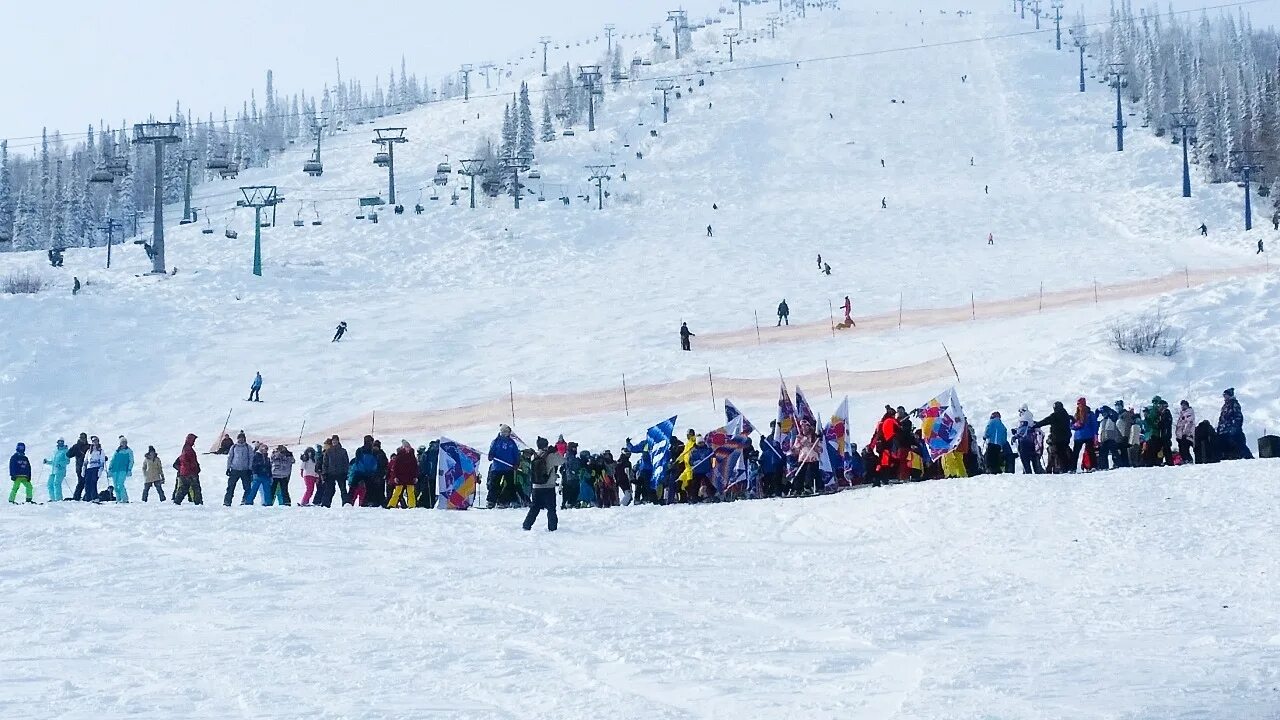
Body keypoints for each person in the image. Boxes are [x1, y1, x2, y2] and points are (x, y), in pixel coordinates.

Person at [523, 437, 561, 531]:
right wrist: (555, 452)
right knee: (551, 508)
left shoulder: (534, 456)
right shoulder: (550, 456)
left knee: (535, 507)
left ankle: (526, 525)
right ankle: (552, 528)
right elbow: (562, 460)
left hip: (536, 486)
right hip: (549, 486)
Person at [485, 425, 520, 508]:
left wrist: (516, 463)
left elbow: (516, 454)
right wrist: (490, 456)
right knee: (494, 484)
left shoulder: (511, 443)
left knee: (510, 485)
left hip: (508, 467)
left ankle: (507, 500)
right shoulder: (496, 442)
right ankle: (491, 501)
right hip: (497, 467)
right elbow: (491, 452)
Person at [1034, 402, 1072, 473]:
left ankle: (1061, 469)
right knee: (1064, 453)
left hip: (1057, 438)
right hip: (1066, 437)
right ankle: (1067, 468)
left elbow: (1045, 421)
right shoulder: (1066, 415)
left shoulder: (1054, 416)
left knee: (1058, 453)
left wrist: (1036, 424)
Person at [1217, 388, 1252, 460]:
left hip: (1232, 429)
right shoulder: (1225, 406)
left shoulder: (1234, 404)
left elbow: (1238, 416)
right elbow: (1222, 418)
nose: (1224, 397)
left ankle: (1247, 456)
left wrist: (1235, 426)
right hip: (1224, 430)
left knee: (1238, 442)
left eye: (1226, 395)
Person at [793, 421, 823, 494]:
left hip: (812, 459)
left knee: (809, 473)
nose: (804, 428)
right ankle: (798, 489)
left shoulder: (814, 436)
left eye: (806, 426)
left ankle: (808, 488)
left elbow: (820, 449)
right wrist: (800, 444)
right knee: (799, 474)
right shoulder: (799, 437)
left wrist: (809, 444)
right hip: (803, 459)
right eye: (802, 426)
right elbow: (795, 450)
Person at [348, 435, 379, 507]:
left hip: (359, 471)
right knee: (369, 488)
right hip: (369, 472)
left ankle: (349, 501)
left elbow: (357, 460)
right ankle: (367, 502)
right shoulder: (374, 451)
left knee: (353, 487)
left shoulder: (360, 450)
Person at [224, 431, 254, 506]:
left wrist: (250, 468)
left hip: (245, 470)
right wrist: (228, 468)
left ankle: (245, 500)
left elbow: (251, 458)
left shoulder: (248, 447)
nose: (241, 440)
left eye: (242, 438)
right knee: (230, 487)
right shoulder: (234, 447)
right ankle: (227, 501)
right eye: (239, 438)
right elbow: (230, 457)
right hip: (234, 470)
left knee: (247, 487)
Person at [387, 440, 419, 509]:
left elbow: (415, 467)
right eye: (406, 447)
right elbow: (395, 467)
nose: (408, 448)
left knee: (411, 492)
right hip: (400, 477)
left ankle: (412, 505)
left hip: (410, 477)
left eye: (408, 447)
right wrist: (395, 477)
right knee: (397, 492)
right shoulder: (400, 456)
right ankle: (391, 504)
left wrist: (415, 476)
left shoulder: (412, 456)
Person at [174, 433, 203, 505]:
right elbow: (190, 461)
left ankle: (177, 501)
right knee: (195, 488)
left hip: (184, 472)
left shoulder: (185, 448)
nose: (194, 442)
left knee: (184, 487)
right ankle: (198, 502)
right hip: (190, 472)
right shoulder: (188, 449)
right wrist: (195, 468)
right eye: (193, 440)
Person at [321, 435, 351, 506]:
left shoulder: (343, 451)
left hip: (341, 473)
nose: (334, 442)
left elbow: (346, 462)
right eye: (333, 441)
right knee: (329, 490)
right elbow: (325, 463)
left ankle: (345, 503)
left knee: (343, 489)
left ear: (338, 441)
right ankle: (325, 504)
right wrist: (324, 473)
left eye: (336, 440)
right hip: (330, 473)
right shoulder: (328, 451)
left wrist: (346, 472)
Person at [1069, 398, 1098, 472]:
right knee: (1077, 452)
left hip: (1085, 435)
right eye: (1078, 404)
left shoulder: (1089, 414)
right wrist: (1075, 425)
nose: (1079, 406)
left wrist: (1095, 435)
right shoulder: (1077, 414)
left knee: (1089, 451)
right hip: (1081, 436)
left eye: (1080, 404)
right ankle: (1073, 468)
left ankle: (1092, 466)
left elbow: (1094, 424)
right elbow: (1071, 426)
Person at [1013, 405, 1043, 474]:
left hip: (1024, 443)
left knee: (1025, 462)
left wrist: (1016, 436)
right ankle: (1037, 473)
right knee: (1034, 460)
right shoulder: (1030, 419)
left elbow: (1023, 430)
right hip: (1032, 443)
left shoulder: (1024, 419)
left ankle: (1027, 474)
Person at [1144, 397, 1174, 466]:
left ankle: (1169, 462)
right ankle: (1164, 461)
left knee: (1166, 448)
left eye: (1160, 405)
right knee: (1161, 448)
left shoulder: (1166, 413)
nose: (1158, 407)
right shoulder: (1160, 413)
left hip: (1164, 434)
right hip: (1161, 434)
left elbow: (1164, 423)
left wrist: (1158, 423)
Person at [417, 441, 439, 509]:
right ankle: (429, 503)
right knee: (430, 490)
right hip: (433, 475)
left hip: (429, 475)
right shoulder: (437, 453)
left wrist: (424, 473)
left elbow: (423, 465)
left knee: (428, 490)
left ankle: (428, 503)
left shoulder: (427, 453)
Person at [83, 436, 105, 502]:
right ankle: (88, 497)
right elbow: (86, 460)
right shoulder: (89, 451)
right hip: (89, 468)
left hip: (96, 468)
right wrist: (83, 468)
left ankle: (95, 497)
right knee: (87, 483)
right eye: (93, 441)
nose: (94, 442)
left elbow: (102, 460)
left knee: (93, 482)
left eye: (96, 441)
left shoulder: (100, 451)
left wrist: (100, 470)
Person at [67, 432, 89, 501]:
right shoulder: (76, 446)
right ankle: (77, 497)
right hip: (79, 467)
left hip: (87, 467)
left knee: (87, 482)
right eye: (81, 438)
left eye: (84, 438)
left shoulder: (89, 446)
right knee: (81, 482)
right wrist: (73, 448)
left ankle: (85, 496)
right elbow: (68, 454)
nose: (83, 439)